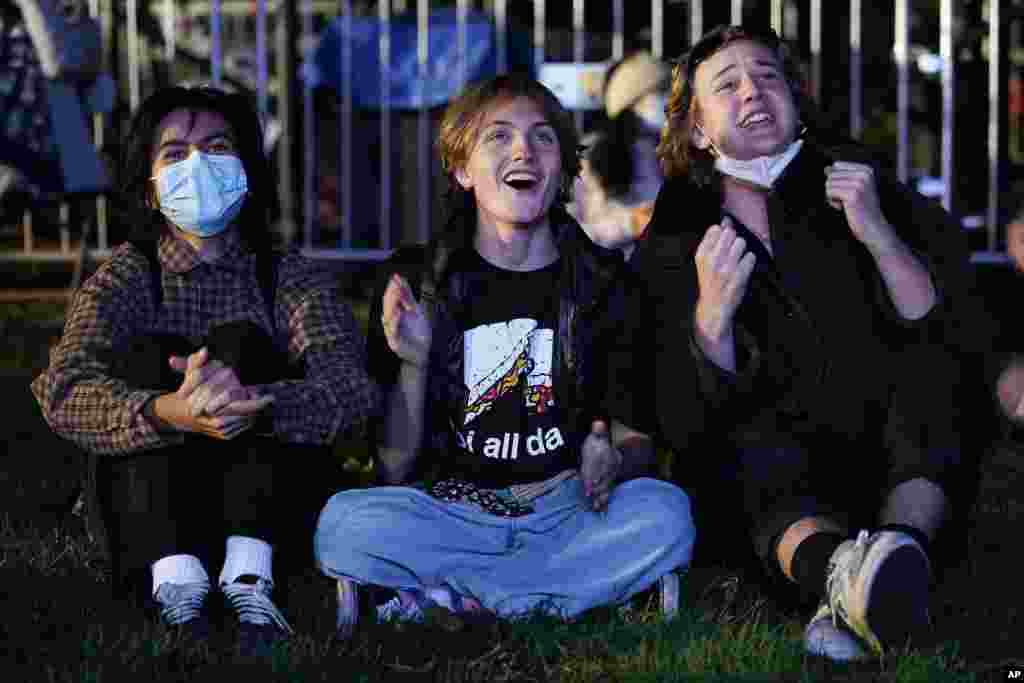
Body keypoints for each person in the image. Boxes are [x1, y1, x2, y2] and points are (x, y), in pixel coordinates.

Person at [616, 25, 984, 661]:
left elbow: (935, 326)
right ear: (697, 129)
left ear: (794, 96)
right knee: (746, 454)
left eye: (767, 75)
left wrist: (878, 235)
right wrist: (711, 318)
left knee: (932, 392)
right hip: (772, 478)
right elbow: (680, 412)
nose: (753, 91)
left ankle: (889, 561)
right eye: (727, 85)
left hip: (880, 446)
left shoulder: (859, 180)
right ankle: (844, 576)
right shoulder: (674, 234)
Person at [313, 73, 694, 633]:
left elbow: (632, 438)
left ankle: (452, 598)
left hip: (566, 511)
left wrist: (612, 460)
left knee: (665, 513)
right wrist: (415, 362)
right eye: (498, 136)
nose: (523, 150)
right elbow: (393, 467)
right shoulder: (418, 279)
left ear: (562, 168)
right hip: (450, 510)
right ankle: (556, 596)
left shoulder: (605, 280)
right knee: (343, 521)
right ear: (463, 169)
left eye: (543, 137)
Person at [30, 85, 380, 655]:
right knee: (148, 358)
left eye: (217, 148)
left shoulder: (287, 276)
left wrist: (252, 402)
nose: (198, 165)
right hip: (152, 502)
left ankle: (251, 580)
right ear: (147, 187)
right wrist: (168, 411)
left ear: (246, 170)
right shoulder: (124, 280)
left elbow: (351, 388)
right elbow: (64, 391)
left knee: (240, 345)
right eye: (174, 153)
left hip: (265, 498)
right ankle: (177, 586)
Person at [571, 51, 668, 261]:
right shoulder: (589, 155)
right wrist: (630, 223)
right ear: (630, 103)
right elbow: (568, 234)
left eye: (669, 90)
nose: (668, 100)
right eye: (658, 91)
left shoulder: (676, 150)